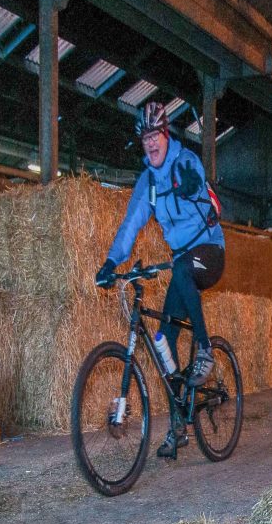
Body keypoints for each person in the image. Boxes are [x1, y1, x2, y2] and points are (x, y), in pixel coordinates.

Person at [94, 101, 225, 458]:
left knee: (181, 268)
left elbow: (202, 186)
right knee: (163, 338)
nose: (151, 143)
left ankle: (205, 350)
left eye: (156, 136)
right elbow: (131, 224)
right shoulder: (148, 181)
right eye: (145, 138)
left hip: (209, 251)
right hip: (183, 261)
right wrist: (110, 262)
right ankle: (179, 425)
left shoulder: (184, 162)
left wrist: (193, 186)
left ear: (167, 136)